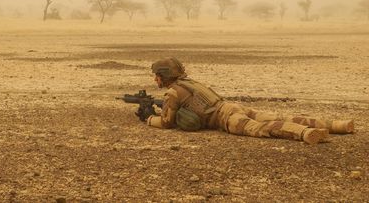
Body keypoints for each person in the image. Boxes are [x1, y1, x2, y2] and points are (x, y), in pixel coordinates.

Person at [138, 57, 354, 145]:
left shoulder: (173, 93)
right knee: (280, 116)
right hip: (230, 106)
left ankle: (304, 133)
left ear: (163, 75)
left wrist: (149, 119)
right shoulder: (189, 83)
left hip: (225, 118)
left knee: (263, 129)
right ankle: (338, 125)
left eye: (156, 75)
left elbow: (167, 122)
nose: (155, 79)